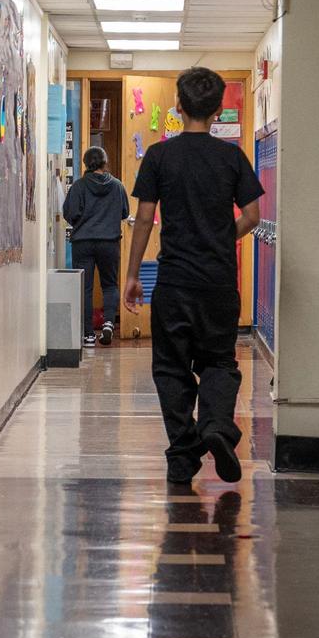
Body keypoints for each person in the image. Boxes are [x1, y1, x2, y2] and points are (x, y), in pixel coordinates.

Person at [125, 68, 263, 484]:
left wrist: (133, 274)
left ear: (178, 106)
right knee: (219, 360)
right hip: (219, 282)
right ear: (219, 109)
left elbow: (145, 218)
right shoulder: (231, 157)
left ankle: (183, 455)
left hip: (175, 282)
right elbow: (253, 216)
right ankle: (218, 426)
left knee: (170, 368)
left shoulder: (159, 155)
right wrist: (223, 238)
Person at [64, 146, 131, 347]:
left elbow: (70, 213)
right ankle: (109, 322)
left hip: (83, 242)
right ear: (105, 163)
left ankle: (88, 335)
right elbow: (125, 212)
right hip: (109, 242)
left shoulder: (78, 186)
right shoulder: (117, 186)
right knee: (109, 284)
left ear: (86, 164)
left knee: (85, 288)